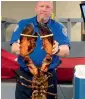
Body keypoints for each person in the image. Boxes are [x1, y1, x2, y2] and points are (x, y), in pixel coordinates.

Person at [10, 1, 70, 99]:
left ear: (51, 10)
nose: (44, 9)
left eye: (47, 7)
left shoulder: (59, 27)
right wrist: (20, 47)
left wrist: (57, 49)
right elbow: (14, 48)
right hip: (26, 75)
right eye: (41, 6)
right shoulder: (23, 24)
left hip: (48, 76)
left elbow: (66, 51)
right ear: (36, 8)